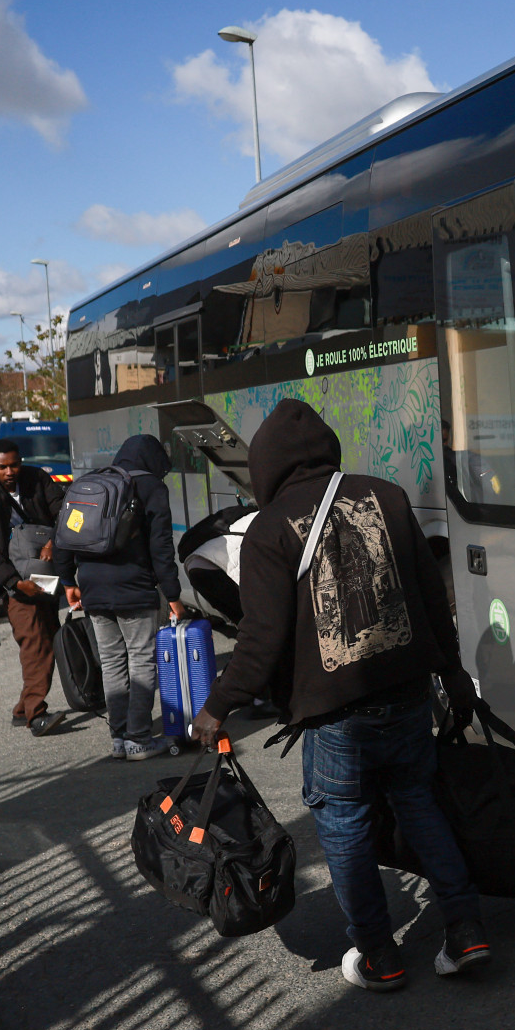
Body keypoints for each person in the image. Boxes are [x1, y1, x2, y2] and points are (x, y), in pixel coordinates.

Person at [190, 400, 485, 993]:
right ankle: (467, 929)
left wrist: (219, 704)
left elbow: (261, 638)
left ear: (267, 465)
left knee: (346, 829)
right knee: (421, 806)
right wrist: (453, 676)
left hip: (335, 719)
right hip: (406, 697)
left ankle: (379, 953)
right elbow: (433, 600)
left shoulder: (269, 529)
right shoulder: (389, 496)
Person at [57, 435, 184, 760]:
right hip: (134, 588)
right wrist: (173, 594)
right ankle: (139, 738)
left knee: (112, 663)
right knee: (141, 660)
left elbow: (64, 535)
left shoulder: (90, 482)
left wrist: (68, 580)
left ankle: (119, 738)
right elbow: (161, 548)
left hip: (93, 589)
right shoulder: (151, 488)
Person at [0, 438, 68, 736]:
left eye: (14, 464)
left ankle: (22, 708)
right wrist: (15, 583)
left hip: (45, 576)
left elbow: (66, 511)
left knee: (49, 638)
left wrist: (55, 542)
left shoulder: (38, 479)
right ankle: (36, 715)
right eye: (2, 467)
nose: (10, 472)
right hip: (14, 584)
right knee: (34, 643)